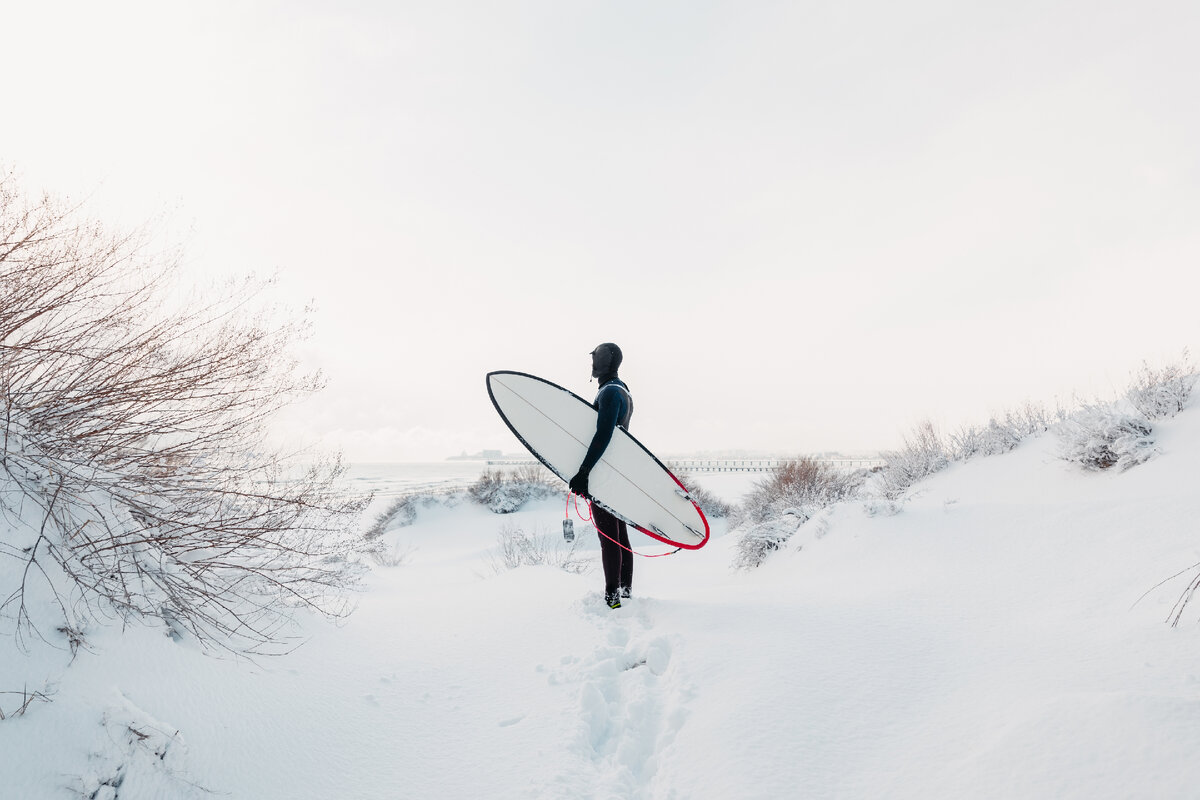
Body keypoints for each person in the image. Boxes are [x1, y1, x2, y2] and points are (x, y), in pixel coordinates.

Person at [569, 343, 634, 610]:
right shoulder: (624, 391)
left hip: (605, 475)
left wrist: (583, 473)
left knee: (609, 538)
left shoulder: (609, 393)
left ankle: (612, 598)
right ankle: (626, 592)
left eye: (595, 358)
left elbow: (603, 435)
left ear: (605, 362)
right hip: (618, 473)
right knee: (620, 536)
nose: (592, 363)